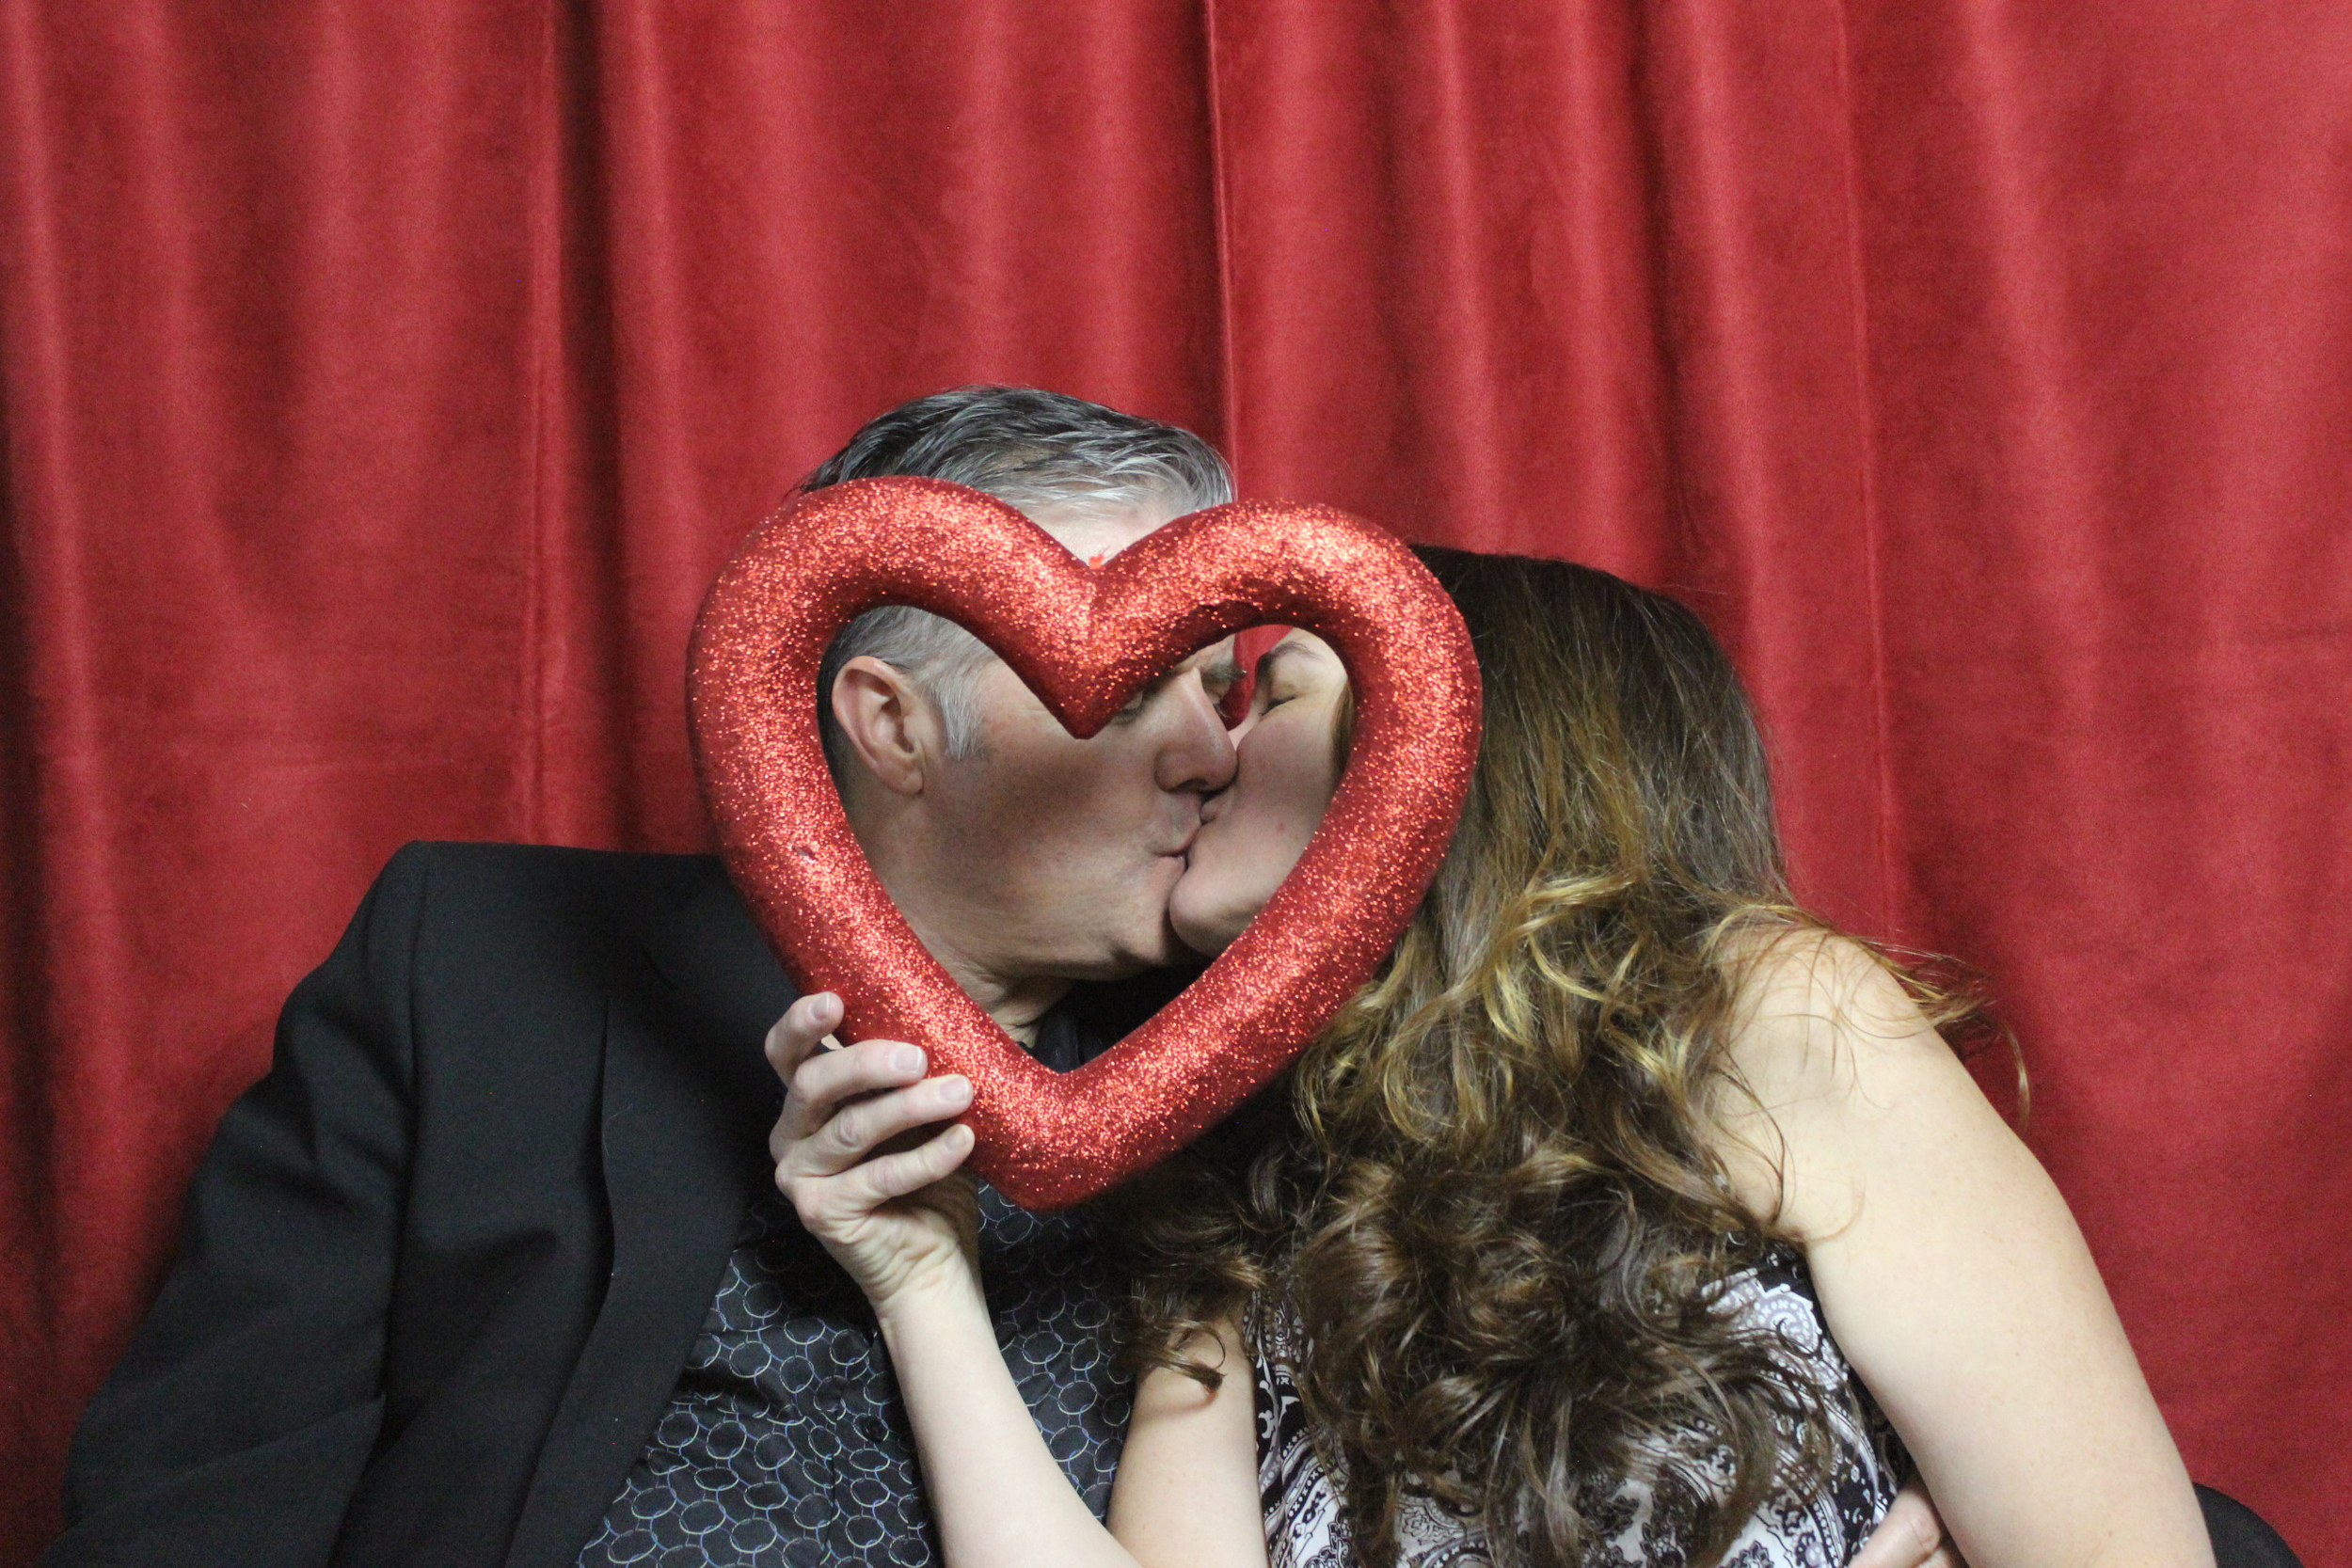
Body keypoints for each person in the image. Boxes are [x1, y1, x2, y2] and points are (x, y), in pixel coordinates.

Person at [768, 548, 2212, 1565]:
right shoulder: (1243, 1171)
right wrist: (921, 1281)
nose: (1207, 750)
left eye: (1274, 694)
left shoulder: (1771, 1020)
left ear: (1444, 749)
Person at [46, 387, 1245, 1568]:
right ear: (894, 727)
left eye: (1221, 688)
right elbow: (198, 1500)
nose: (1213, 753)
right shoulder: (473, 965)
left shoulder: (1233, 1100)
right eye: (1137, 690)